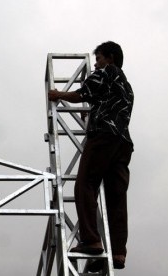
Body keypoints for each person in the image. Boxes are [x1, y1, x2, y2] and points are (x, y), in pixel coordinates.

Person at [48, 41, 134, 270]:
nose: (95, 64)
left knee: (85, 184)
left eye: (99, 59)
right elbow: (108, 104)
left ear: (110, 58)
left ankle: (91, 240)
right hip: (123, 143)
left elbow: (82, 93)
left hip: (103, 138)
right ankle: (118, 253)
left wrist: (58, 94)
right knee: (117, 198)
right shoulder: (127, 86)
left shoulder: (104, 73)